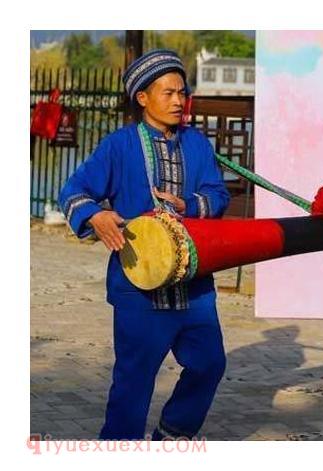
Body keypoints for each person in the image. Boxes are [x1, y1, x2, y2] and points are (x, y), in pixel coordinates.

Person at [59, 49, 231, 440]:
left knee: (209, 364)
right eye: (168, 93)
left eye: (182, 93)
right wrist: (96, 215)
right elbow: (74, 190)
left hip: (194, 283)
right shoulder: (119, 146)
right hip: (138, 285)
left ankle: (172, 435)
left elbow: (217, 194)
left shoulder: (197, 145)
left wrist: (191, 205)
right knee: (133, 382)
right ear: (142, 97)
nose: (178, 101)